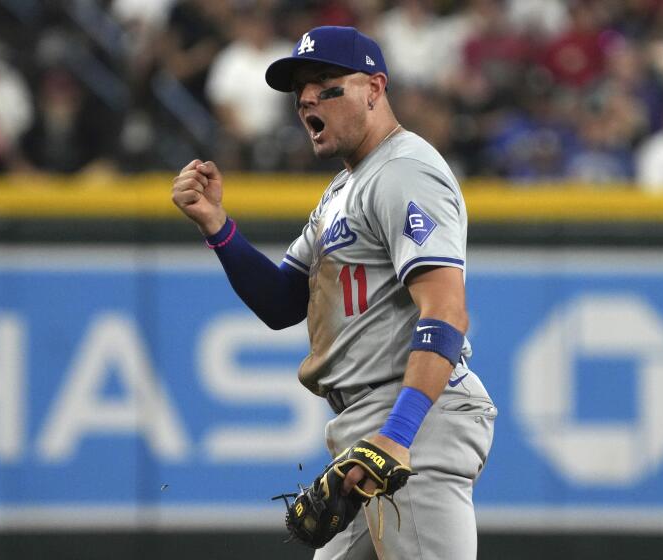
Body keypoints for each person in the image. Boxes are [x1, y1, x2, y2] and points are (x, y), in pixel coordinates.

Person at [172, 26, 496, 559]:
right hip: (366, 432)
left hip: (413, 422)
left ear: (374, 89)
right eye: (301, 90)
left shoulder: (404, 171)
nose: (307, 100)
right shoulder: (345, 188)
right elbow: (281, 303)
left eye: (327, 84)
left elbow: (446, 310)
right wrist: (217, 225)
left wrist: (398, 435)